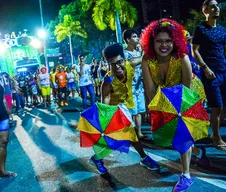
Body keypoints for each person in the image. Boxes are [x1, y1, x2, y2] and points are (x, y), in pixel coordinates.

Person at [140, 18, 210, 192]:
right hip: (166, 96)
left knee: (182, 132)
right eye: (159, 41)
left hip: (189, 94)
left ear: (175, 41)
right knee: (175, 134)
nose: (164, 45)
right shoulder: (147, 59)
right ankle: (196, 152)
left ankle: (186, 176)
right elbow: (149, 89)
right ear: (152, 42)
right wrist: (154, 108)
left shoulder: (182, 57)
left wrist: (177, 110)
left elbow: (186, 92)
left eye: (168, 41)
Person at [89, 43, 160, 174]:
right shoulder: (108, 81)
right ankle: (143, 158)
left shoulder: (130, 64)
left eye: (119, 62)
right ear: (108, 64)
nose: (117, 67)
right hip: (114, 109)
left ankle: (97, 158)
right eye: (112, 64)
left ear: (124, 59)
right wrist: (106, 121)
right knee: (124, 136)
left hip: (127, 105)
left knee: (128, 136)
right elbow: (105, 103)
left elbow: (144, 57)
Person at [192, 0, 226, 151]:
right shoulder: (200, 29)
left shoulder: (222, 30)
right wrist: (205, 68)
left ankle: (215, 133)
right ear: (205, 11)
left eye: (217, 6)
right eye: (212, 6)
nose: (216, 8)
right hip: (210, 73)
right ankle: (216, 138)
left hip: (223, 70)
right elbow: (195, 50)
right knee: (217, 106)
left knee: (224, 105)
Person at [122, 29, 147, 139]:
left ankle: (139, 132)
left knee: (140, 110)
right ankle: (133, 132)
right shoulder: (124, 53)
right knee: (133, 111)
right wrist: (142, 57)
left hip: (139, 86)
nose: (137, 38)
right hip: (129, 86)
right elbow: (130, 63)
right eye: (135, 36)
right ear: (128, 40)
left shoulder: (138, 53)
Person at [0, 66, 17, 178]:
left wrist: (9, 112)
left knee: (3, 142)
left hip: (1, 115)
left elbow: (2, 97)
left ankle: (1, 171)